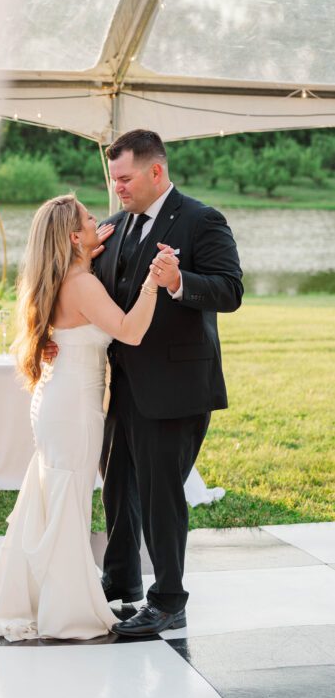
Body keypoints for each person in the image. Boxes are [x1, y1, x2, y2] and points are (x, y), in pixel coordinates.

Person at [0, 194, 178, 641]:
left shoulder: (59, 277)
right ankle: (64, 607)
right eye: (91, 220)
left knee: (55, 495)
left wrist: (87, 255)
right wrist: (153, 281)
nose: (101, 223)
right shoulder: (83, 285)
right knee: (68, 501)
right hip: (74, 406)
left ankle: (41, 594)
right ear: (75, 237)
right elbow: (130, 332)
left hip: (57, 400)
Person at [63, 128, 243, 638]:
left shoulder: (202, 220)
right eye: (112, 178)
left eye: (124, 177)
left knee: (163, 495)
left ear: (155, 171)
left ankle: (169, 600)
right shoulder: (115, 225)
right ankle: (121, 582)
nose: (116, 187)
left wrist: (179, 283)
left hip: (176, 387)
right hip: (120, 387)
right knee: (118, 488)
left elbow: (230, 290)